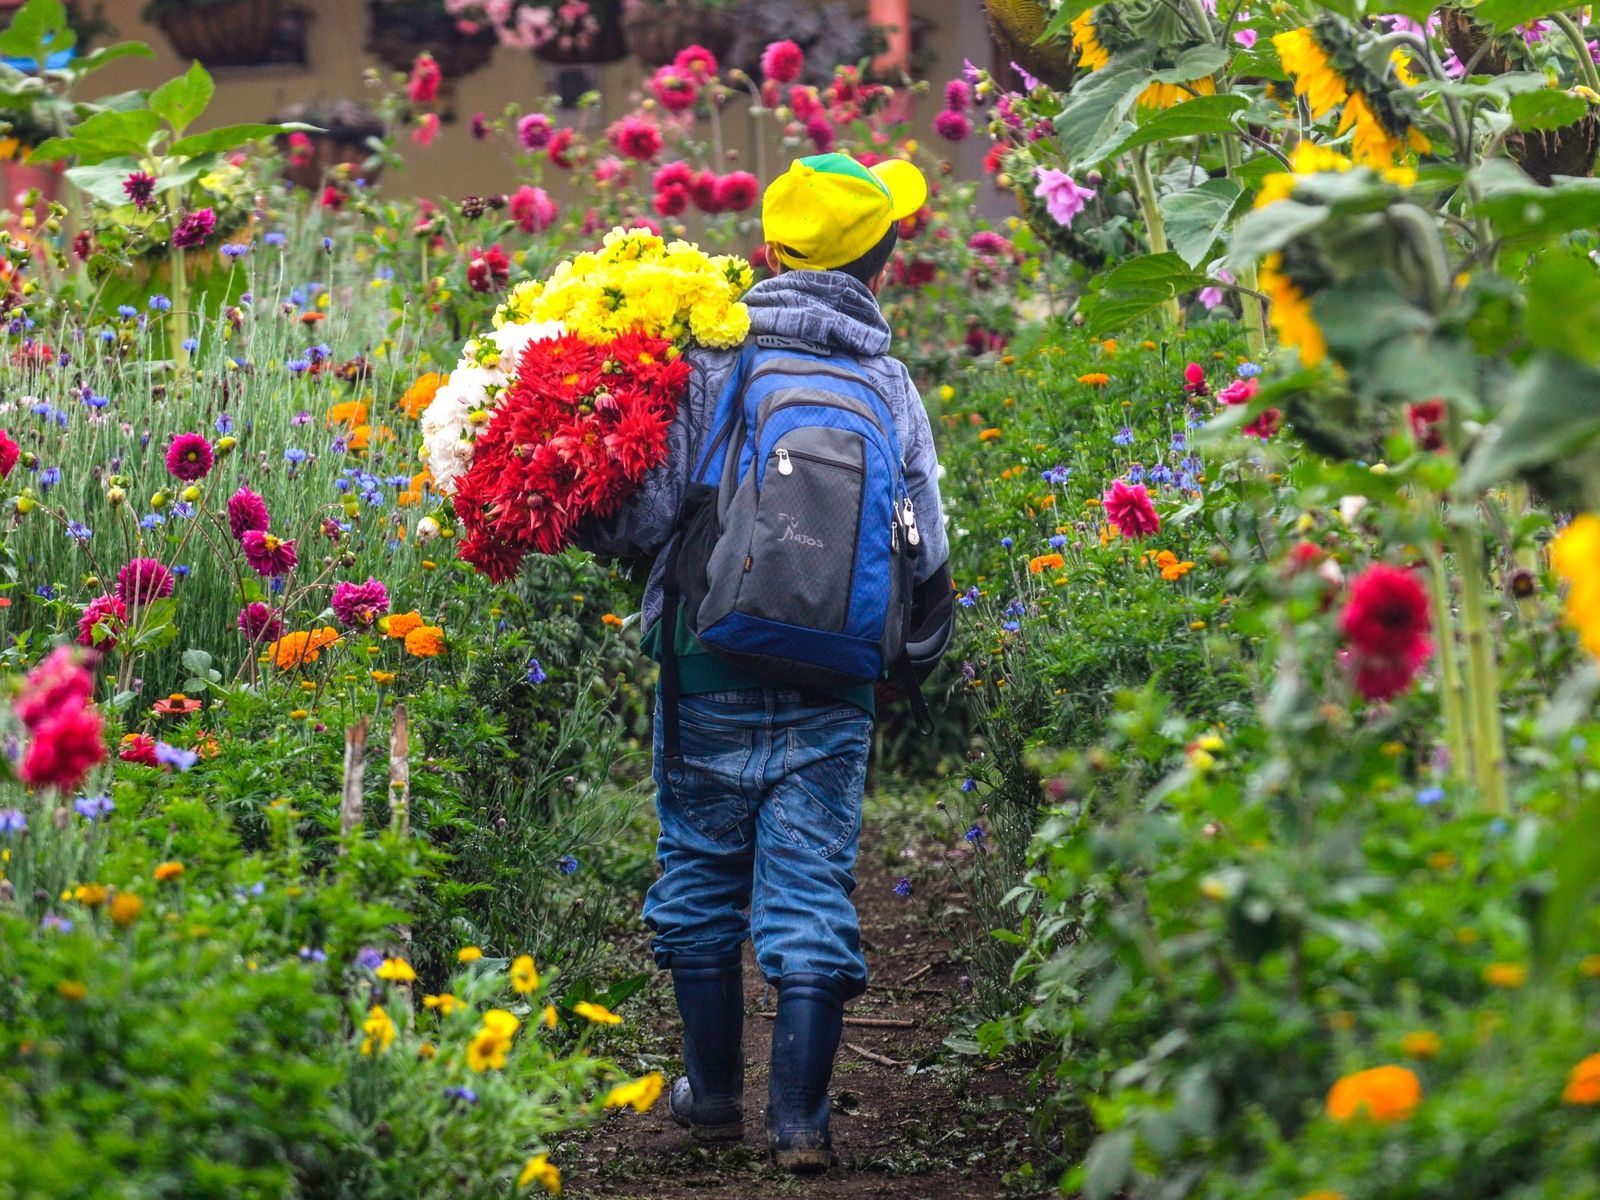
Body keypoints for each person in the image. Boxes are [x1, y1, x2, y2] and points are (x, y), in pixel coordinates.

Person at [582, 152, 953, 1172]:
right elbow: (925, 541)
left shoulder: (712, 365)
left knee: (700, 873)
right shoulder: (887, 382)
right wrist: (914, 653)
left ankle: (709, 1096)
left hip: (707, 667)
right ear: (883, 257)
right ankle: (798, 1120)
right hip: (833, 679)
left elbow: (644, 517)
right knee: (812, 885)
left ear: (770, 251)